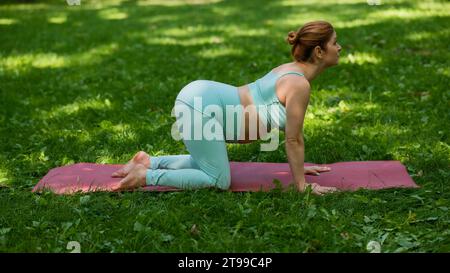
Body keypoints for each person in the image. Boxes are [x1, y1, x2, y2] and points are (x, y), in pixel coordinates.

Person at [111, 20, 342, 195]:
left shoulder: (289, 70)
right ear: (319, 52)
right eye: (334, 42)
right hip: (202, 105)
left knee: (209, 160)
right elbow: (293, 140)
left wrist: (299, 169)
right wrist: (302, 185)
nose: (339, 47)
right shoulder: (299, 83)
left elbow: (294, 136)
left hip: (199, 97)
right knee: (218, 179)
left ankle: (149, 162)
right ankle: (147, 176)